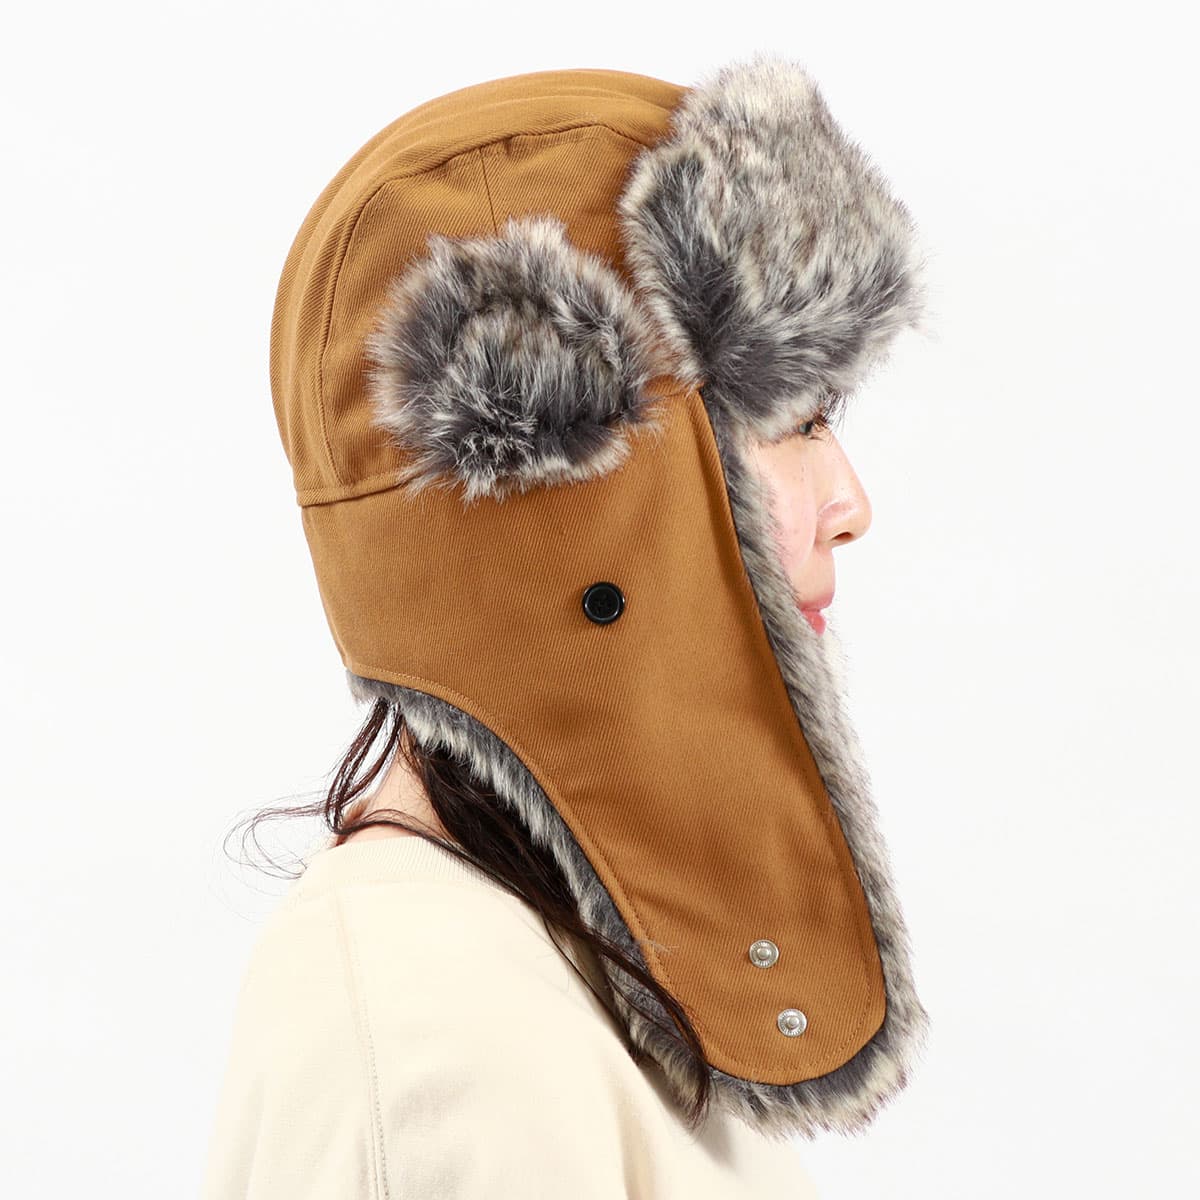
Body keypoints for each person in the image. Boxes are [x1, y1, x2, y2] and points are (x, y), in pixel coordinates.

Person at [201, 52, 930, 1198]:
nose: (851, 504)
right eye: (791, 421)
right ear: (587, 498)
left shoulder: (570, 968)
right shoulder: (435, 1027)